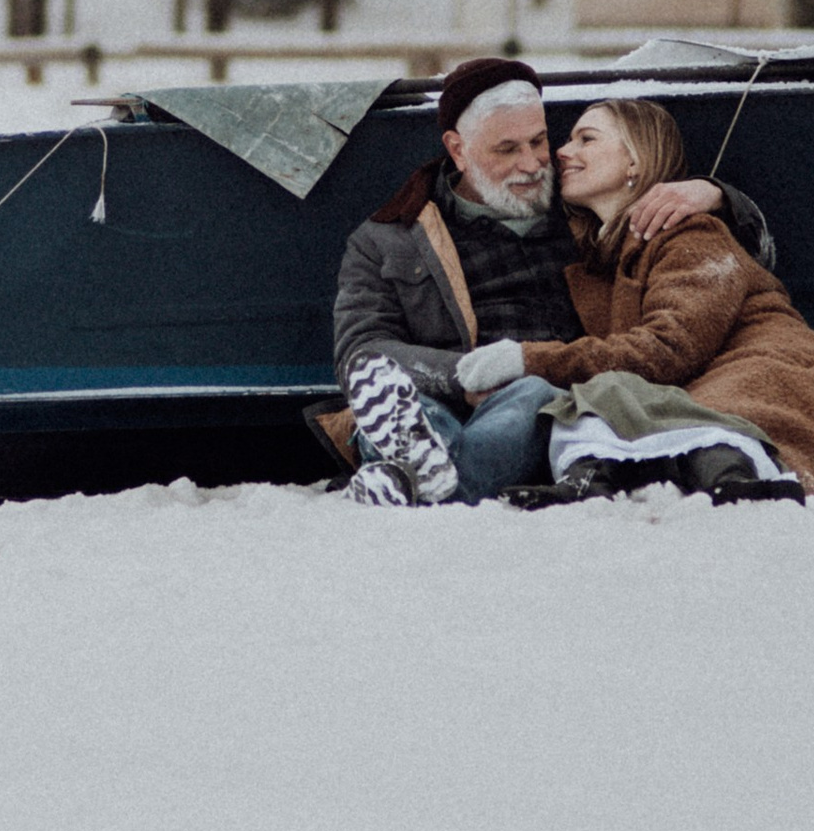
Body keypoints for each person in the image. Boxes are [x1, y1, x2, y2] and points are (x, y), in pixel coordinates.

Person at [329, 57, 775, 507]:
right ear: (458, 149)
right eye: (506, 150)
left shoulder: (579, 201)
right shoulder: (388, 239)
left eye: (539, 141)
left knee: (532, 395)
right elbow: (362, 354)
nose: (532, 164)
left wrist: (714, 193)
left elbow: (714, 251)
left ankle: (415, 478)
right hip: (451, 396)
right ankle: (416, 452)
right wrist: (459, 378)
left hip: (559, 396)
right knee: (409, 408)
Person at [513, 97, 814, 503]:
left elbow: (668, 348)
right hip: (697, 378)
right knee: (595, 397)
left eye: (586, 138)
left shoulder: (690, 232)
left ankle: (739, 486)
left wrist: (526, 360)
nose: (562, 151)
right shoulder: (595, 258)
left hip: (777, 367)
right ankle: (589, 481)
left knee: (717, 413)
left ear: (636, 161)